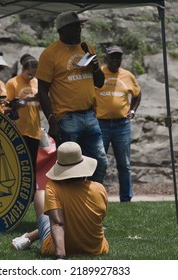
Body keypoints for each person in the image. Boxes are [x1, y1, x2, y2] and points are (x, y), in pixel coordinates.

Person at [36, 11, 108, 184]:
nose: (79, 30)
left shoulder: (87, 48)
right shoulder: (50, 54)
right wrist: (52, 121)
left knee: (100, 163)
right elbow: (42, 91)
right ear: (63, 30)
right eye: (75, 26)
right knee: (70, 169)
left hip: (90, 115)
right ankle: (71, 205)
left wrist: (96, 68)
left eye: (80, 26)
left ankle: (91, 202)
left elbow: (100, 83)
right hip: (66, 118)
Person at [11, 141, 109, 259]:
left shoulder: (53, 188)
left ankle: (28, 237)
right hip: (96, 249)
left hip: (54, 247)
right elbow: (99, 218)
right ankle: (28, 238)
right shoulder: (99, 188)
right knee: (65, 216)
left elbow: (58, 223)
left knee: (40, 196)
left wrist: (60, 256)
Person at [95, 46, 142, 202]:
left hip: (122, 125)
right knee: (99, 161)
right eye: (112, 57)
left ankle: (126, 198)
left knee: (124, 164)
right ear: (106, 58)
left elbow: (137, 93)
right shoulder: (98, 73)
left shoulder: (127, 75)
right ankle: (95, 196)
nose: (115, 60)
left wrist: (133, 110)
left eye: (118, 58)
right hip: (101, 124)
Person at [6, 54, 41, 196]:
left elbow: (40, 106)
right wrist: (22, 102)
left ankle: (31, 195)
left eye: (33, 74)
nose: (31, 77)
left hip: (34, 130)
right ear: (23, 69)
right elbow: (7, 106)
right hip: (18, 130)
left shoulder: (37, 82)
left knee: (32, 166)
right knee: (17, 165)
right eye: (29, 74)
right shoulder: (12, 83)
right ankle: (16, 194)